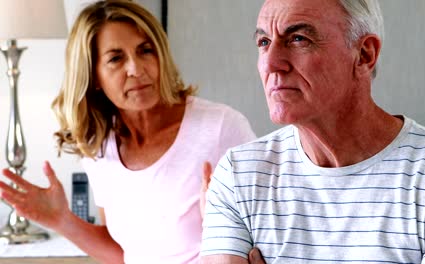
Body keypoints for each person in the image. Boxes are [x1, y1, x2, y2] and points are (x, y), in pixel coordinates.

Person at [200, 0, 425, 263]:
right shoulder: (240, 173)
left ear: (364, 54)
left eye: (298, 39)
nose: (271, 64)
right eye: (264, 42)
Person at [0, 1, 256, 263]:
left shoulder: (221, 127)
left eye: (145, 50)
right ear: (94, 76)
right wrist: (61, 221)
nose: (136, 69)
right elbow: (126, 254)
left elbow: (270, 239)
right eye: (116, 58)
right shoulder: (97, 148)